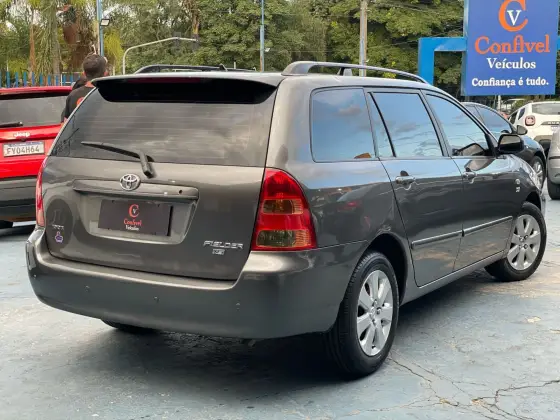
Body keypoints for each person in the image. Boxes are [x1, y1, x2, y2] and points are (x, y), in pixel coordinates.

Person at [62, 54, 107, 121]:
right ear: (105, 73)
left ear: (84, 74)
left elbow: (65, 123)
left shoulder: (73, 96)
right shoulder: (113, 95)